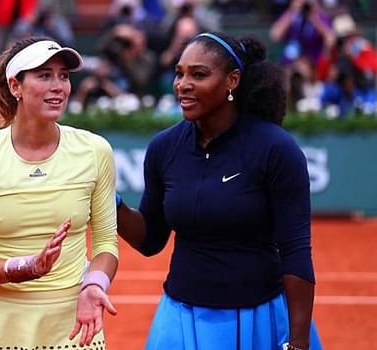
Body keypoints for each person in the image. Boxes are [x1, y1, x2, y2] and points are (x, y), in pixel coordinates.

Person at [116, 31, 323, 350]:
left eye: (198, 74)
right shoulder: (164, 147)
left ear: (233, 81)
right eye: (179, 73)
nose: (182, 84)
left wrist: (297, 343)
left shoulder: (276, 149)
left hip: (261, 321)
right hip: (180, 319)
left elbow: (295, 251)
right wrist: (108, 202)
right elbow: (150, 239)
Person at [0, 37, 119, 349]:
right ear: (15, 86)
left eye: (64, 76)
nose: (58, 86)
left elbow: (107, 243)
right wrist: (24, 267)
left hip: (71, 330)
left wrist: (94, 285)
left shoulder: (96, 151)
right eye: (44, 75)